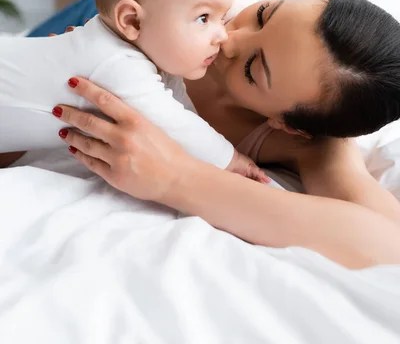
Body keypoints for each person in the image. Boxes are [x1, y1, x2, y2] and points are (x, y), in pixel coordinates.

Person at [0, 0, 267, 181]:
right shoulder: (116, 62)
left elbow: (181, 109)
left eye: (222, 18)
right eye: (203, 18)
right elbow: (176, 124)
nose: (222, 34)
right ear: (132, 20)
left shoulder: (147, 55)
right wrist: (231, 161)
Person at [51, 76, 400, 269]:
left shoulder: (320, 149)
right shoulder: (228, 6)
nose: (227, 37)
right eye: (265, 13)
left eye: (251, 68)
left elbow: (390, 246)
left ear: (288, 125)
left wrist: (176, 177)